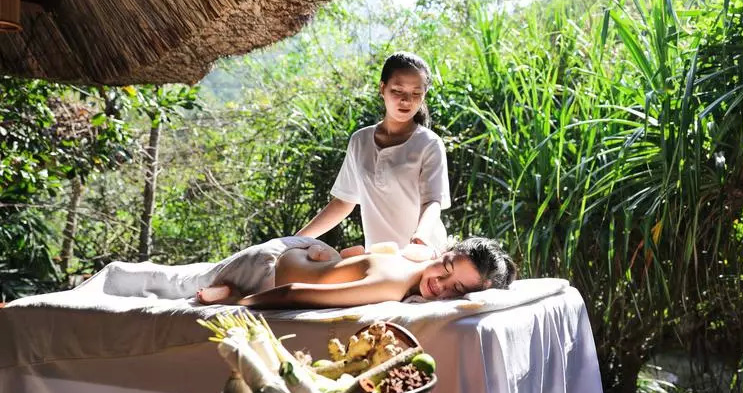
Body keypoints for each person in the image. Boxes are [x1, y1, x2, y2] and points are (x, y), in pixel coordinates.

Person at [298, 51, 450, 253]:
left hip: (423, 254)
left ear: (424, 95)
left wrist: (420, 238)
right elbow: (344, 201)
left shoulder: (429, 143)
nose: (406, 100)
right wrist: (295, 240)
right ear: (382, 88)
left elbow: (432, 201)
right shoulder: (360, 141)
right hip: (378, 257)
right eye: (397, 91)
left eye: (416, 93)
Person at [198, 237, 516, 309]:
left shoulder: (412, 263)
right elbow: (293, 293)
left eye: (457, 290)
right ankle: (231, 292)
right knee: (186, 283)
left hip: (307, 253)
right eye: (446, 268)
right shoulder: (392, 284)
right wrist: (238, 303)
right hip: (268, 268)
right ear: (445, 252)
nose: (440, 284)